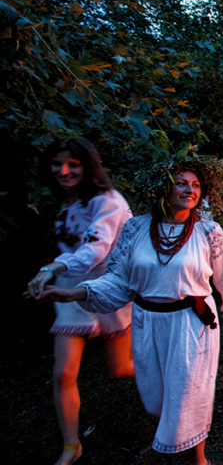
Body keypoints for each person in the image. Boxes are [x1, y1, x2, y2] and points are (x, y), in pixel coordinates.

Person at [35, 158, 223, 465]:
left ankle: (199, 458)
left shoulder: (208, 231)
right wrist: (72, 293)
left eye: (196, 185)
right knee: (158, 394)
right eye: (182, 182)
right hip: (147, 321)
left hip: (192, 323)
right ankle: (177, 433)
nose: (190, 189)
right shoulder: (136, 228)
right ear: (163, 185)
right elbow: (116, 281)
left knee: (191, 390)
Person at [25, 138, 134, 465]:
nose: (64, 170)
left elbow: (95, 249)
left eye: (73, 164)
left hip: (109, 291)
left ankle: (172, 377)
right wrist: (47, 278)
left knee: (121, 368)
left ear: (89, 166)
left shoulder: (108, 201)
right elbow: (70, 249)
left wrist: (51, 268)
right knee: (64, 373)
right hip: (69, 292)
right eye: (58, 164)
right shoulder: (65, 202)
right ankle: (71, 446)